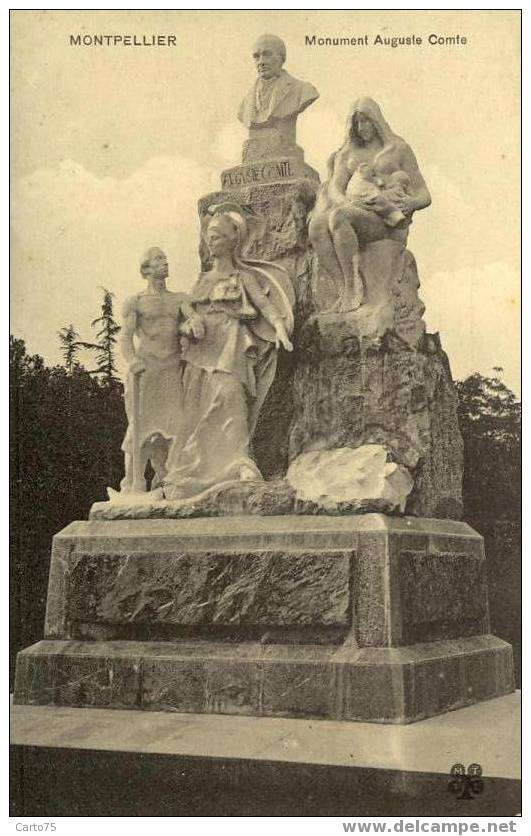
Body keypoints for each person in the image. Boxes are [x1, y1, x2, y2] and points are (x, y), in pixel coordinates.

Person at [163, 207, 294, 500]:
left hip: (231, 344)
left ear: (233, 240)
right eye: (210, 237)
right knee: (197, 407)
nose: (212, 242)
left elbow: (265, 305)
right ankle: (193, 470)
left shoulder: (243, 277)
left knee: (231, 399)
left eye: (218, 236)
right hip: (199, 351)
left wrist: (280, 328)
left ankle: (239, 462)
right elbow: (184, 319)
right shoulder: (201, 281)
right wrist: (187, 328)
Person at [308, 97, 431, 312]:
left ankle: (354, 287)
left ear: (377, 121)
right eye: (357, 123)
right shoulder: (347, 154)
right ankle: (344, 286)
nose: (362, 127)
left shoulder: (398, 149)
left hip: (385, 220)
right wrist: (347, 202)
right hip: (354, 208)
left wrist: (412, 202)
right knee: (316, 225)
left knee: (339, 217)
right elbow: (335, 188)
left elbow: (424, 194)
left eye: (366, 121)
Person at [118, 247, 203, 494]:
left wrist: (193, 325)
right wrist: (132, 360)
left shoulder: (180, 299)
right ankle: (133, 482)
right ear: (146, 269)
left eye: (166, 258)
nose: (165, 262)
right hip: (145, 370)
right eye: (159, 259)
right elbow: (125, 338)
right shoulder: (135, 302)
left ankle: (167, 478)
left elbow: (191, 319)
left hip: (172, 369)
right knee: (140, 428)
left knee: (174, 427)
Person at [238, 34, 319, 131]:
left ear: (282, 58)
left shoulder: (303, 90)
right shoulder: (246, 103)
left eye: (267, 54)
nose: (261, 62)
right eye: (256, 57)